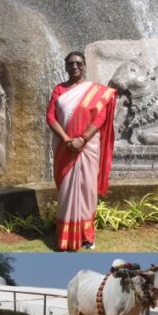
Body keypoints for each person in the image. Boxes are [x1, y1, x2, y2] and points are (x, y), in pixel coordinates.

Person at [46, 51, 117, 251]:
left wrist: (82, 139)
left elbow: (100, 118)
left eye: (78, 63)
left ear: (84, 65)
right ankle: (65, 237)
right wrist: (68, 139)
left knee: (87, 190)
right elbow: (50, 117)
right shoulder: (59, 90)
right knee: (66, 190)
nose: (74, 66)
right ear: (66, 67)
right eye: (70, 63)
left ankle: (87, 236)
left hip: (88, 146)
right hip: (64, 147)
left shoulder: (96, 91)